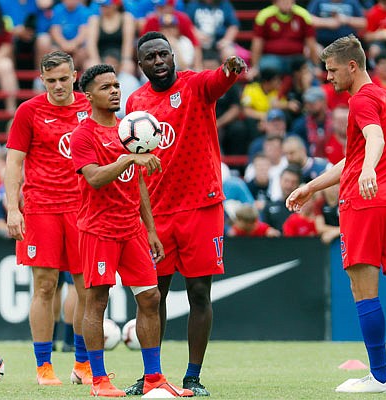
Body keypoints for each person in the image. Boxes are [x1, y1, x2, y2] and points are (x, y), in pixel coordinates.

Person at [286, 34, 386, 393]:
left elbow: (373, 141)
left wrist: (367, 172)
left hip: (364, 202)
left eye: (332, 70)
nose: (328, 77)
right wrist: (311, 186)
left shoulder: (361, 100)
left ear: (352, 66)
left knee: (364, 291)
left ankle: (380, 376)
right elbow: (356, 155)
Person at [124, 31, 247, 396]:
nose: (159, 61)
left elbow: (219, 80)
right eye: (151, 57)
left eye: (164, 54)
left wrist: (230, 69)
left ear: (173, 56)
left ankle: (193, 376)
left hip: (202, 205)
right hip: (158, 212)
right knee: (152, 296)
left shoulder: (195, 86)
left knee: (199, 293)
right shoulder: (136, 102)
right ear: (141, 64)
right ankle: (153, 376)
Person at [70, 63, 193, 398]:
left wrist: (150, 229)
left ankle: (154, 378)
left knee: (151, 298)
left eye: (116, 85)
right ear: (89, 95)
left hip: (131, 229)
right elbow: (94, 178)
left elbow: (137, 184)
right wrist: (129, 159)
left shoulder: (129, 128)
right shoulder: (84, 135)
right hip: (99, 229)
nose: (114, 91)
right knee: (97, 300)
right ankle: (98, 381)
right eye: (106, 87)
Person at [4, 50, 93, 386]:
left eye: (63, 78)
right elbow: (13, 162)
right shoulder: (29, 111)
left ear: (74, 76)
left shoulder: (90, 106)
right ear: (42, 80)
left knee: (88, 289)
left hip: (85, 209)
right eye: (51, 80)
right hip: (42, 208)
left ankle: (83, 365)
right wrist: (14, 208)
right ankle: (44, 367)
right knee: (45, 286)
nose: (58, 85)